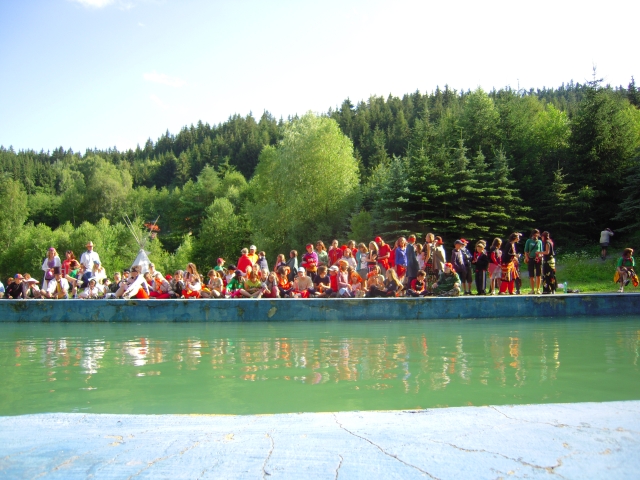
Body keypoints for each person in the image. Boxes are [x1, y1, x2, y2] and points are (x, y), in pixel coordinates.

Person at [524, 229, 543, 295]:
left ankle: (538, 289)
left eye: (537, 234)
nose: (536, 235)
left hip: (538, 259)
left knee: (538, 274)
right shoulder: (529, 241)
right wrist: (527, 258)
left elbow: (541, 251)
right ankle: (532, 289)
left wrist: (540, 256)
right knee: (531, 275)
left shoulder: (539, 241)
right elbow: (526, 251)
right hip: (531, 259)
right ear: (532, 234)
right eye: (535, 234)